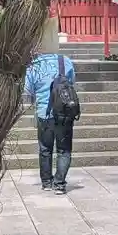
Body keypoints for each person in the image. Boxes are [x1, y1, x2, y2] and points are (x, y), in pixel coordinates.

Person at [23, 21, 77, 193]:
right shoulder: (65, 61)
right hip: (64, 113)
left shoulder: (33, 65)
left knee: (45, 149)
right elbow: (71, 84)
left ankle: (46, 182)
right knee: (64, 150)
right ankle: (59, 184)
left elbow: (28, 90)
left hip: (44, 114)